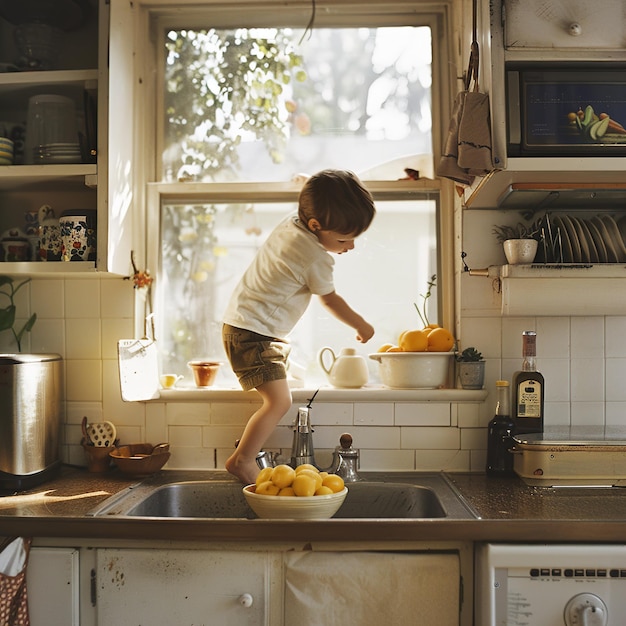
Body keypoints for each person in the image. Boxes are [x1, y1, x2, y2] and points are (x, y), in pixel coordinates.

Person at [222, 169, 376, 484]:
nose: (350, 246)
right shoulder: (314, 256)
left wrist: (307, 186)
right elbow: (330, 300)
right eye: (344, 238)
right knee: (279, 401)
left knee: (287, 385)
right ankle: (243, 460)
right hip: (255, 335)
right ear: (316, 226)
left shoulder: (294, 222)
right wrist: (361, 325)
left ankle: (244, 457)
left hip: (248, 327)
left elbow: (308, 203)